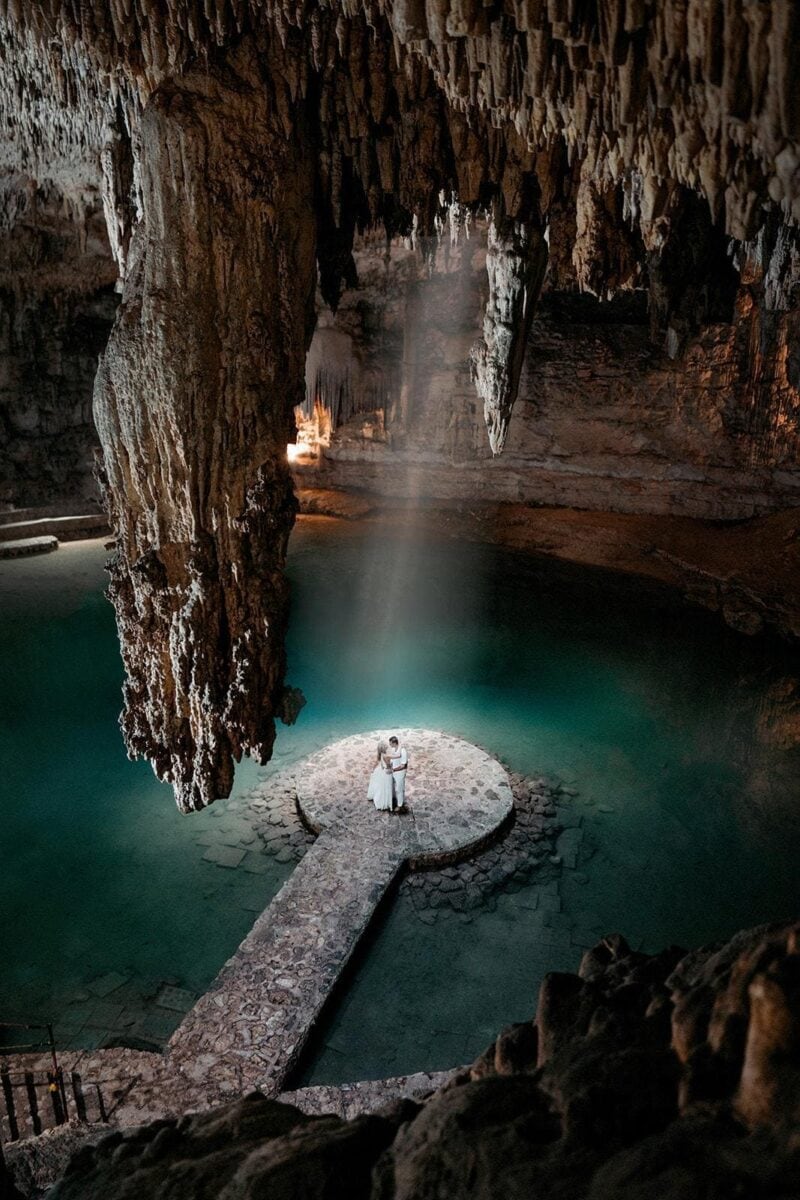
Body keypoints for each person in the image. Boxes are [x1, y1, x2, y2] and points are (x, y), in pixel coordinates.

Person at [367, 740, 394, 811]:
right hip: (387, 773)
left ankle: (382, 798)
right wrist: (392, 765)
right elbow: (389, 766)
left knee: (382, 787)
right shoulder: (386, 756)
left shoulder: (380, 755)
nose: (387, 747)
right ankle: (387, 801)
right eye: (386, 746)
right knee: (387, 787)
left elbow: (376, 762)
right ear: (384, 748)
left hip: (382, 771)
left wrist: (373, 769)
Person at [387, 735, 408, 810]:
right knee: (392, 786)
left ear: (394, 743)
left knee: (399, 788)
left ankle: (400, 805)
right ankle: (393, 798)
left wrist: (394, 770)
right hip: (393, 771)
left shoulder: (403, 751)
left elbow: (403, 765)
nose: (389, 745)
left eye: (390, 743)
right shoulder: (393, 749)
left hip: (400, 773)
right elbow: (392, 760)